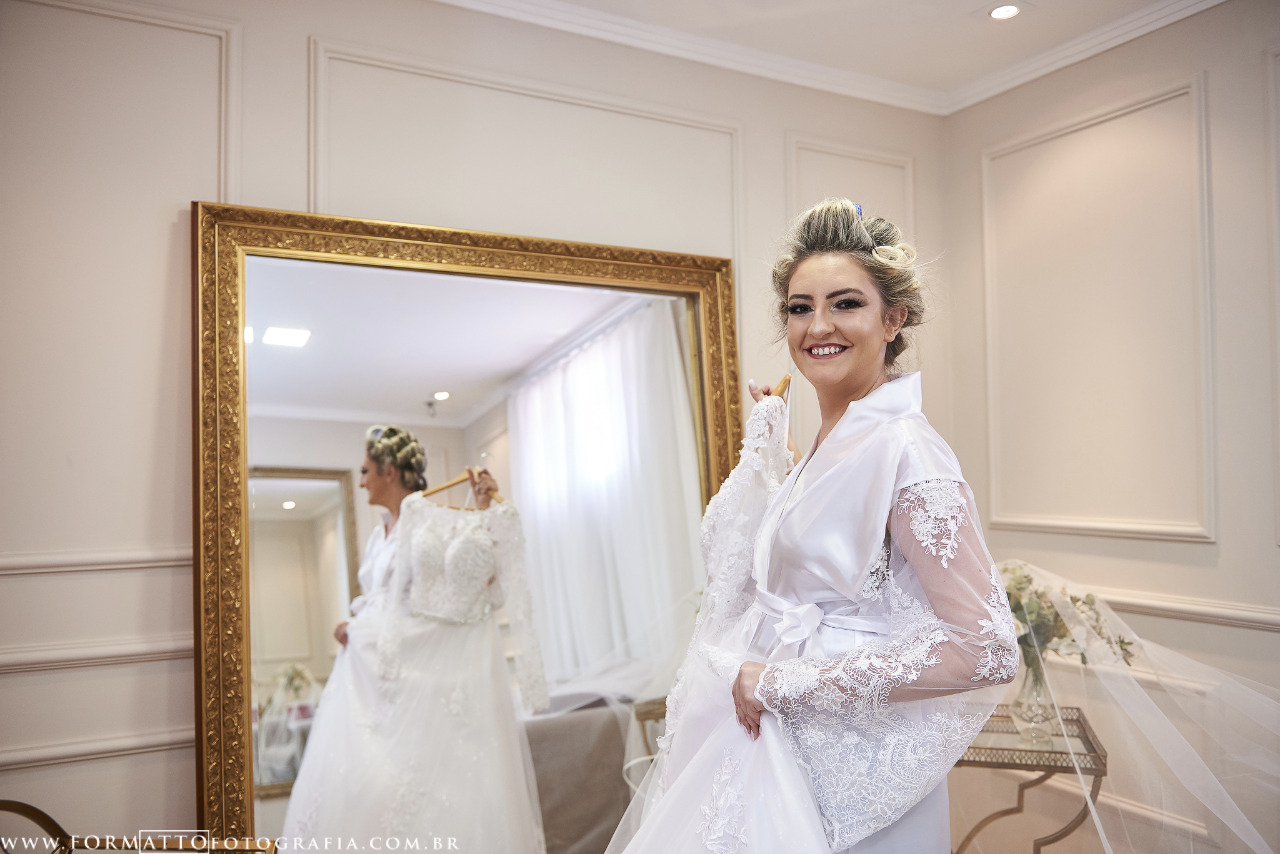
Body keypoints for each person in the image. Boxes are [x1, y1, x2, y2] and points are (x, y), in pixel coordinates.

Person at [606, 199, 1019, 853]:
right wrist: (783, 457)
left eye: (845, 304)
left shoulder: (908, 451)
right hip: (781, 759)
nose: (818, 326)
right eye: (800, 308)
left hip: (856, 784)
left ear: (894, 318)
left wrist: (782, 683)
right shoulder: (834, 445)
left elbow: (988, 648)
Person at [281, 425, 548, 852]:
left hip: (413, 672)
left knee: (411, 786)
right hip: (366, 674)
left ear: (389, 471)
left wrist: (482, 508)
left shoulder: (429, 524)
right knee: (361, 784)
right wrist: (356, 624)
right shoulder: (378, 534)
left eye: (365, 470)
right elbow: (379, 600)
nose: (362, 480)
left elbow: (458, 593)